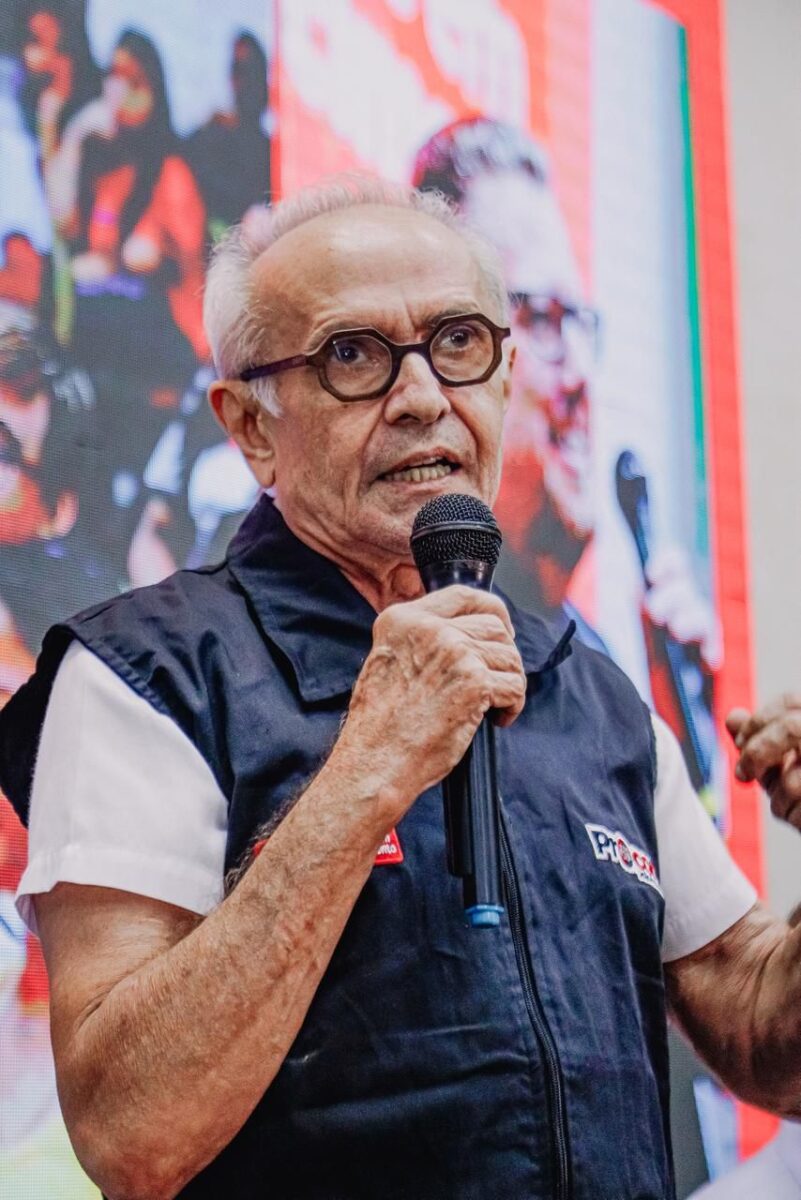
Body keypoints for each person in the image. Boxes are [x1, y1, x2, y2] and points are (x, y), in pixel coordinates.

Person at [0, 177, 798, 1200]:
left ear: (503, 379)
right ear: (249, 427)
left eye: (459, 342)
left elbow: (766, 1041)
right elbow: (131, 1132)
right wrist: (367, 771)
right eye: (352, 355)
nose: (423, 396)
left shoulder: (594, 692)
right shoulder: (146, 674)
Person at [413, 118, 722, 811]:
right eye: (544, 320)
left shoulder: (604, 675)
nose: (581, 375)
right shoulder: (381, 645)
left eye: (579, 323)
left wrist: (680, 753)